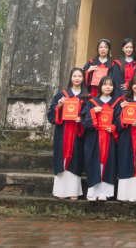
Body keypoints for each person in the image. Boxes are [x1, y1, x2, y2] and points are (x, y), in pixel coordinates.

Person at [47, 67, 87, 199]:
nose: (77, 78)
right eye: (75, 76)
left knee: (76, 160)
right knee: (62, 160)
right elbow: (51, 114)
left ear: (83, 78)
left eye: (79, 76)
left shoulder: (86, 97)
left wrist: (81, 120)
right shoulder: (62, 94)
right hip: (63, 132)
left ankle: (73, 192)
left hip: (77, 133)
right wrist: (59, 105)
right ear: (71, 78)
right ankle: (61, 192)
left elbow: (89, 115)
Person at [81, 75, 118, 202]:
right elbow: (84, 120)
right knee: (93, 162)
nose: (108, 87)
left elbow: (119, 119)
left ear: (113, 87)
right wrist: (92, 112)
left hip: (109, 138)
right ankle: (92, 192)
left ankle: (105, 193)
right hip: (94, 138)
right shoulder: (92, 102)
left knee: (109, 163)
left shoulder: (117, 103)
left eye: (110, 85)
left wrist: (113, 127)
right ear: (100, 86)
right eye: (105, 84)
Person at [114, 74, 136, 202]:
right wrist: (121, 109)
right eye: (135, 84)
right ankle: (125, 195)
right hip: (127, 136)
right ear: (130, 85)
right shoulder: (122, 101)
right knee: (126, 161)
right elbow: (116, 120)